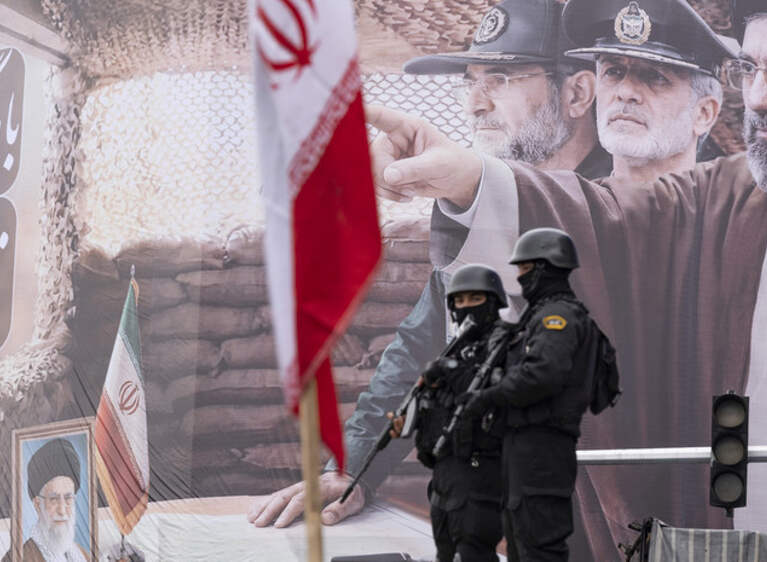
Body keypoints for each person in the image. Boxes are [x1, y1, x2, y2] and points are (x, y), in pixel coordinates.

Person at [362, 0, 767, 554]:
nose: (758, 98)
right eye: (749, 71)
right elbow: (602, 226)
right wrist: (467, 180)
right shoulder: (718, 197)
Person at [248, 0, 610, 530]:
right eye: (470, 82)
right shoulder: (486, 206)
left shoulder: (631, 210)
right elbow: (423, 350)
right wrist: (354, 468)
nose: (475, 104)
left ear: (576, 93)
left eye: (501, 79)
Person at [458, 228, 614, 561]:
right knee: (521, 542)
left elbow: (543, 374)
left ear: (546, 268)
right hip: (525, 448)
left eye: (525, 269)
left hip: (542, 449)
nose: (520, 277)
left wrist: (487, 398)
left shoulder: (557, 316)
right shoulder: (539, 316)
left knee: (538, 546)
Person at [387, 263, 508, 562]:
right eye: (460, 300)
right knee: (445, 547)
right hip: (445, 469)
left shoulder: (508, 346)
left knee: (473, 550)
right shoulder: (454, 351)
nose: (466, 307)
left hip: (481, 469)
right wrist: (408, 421)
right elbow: (429, 405)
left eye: (475, 299)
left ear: (493, 302)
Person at [4, 439, 91, 562]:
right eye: (54, 499)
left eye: (68, 498)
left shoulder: (84, 556)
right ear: (37, 504)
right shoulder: (18, 558)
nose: (62, 510)